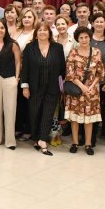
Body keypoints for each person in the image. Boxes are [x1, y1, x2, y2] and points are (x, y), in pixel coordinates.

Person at [21, 21, 64, 155]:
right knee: (35, 114)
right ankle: (36, 138)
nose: (42, 32)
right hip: (34, 88)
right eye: (40, 30)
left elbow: (62, 70)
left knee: (47, 114)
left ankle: (43, 140)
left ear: (49, 33)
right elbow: (25, 69)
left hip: (53, 88)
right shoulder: (29, 48)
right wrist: (25, 87)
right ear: (36, 33)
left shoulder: (57, 48)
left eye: (45, 30)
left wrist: (62, 89)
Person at [65, 27, 104, 155]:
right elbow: (70, 73)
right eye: (81, 38)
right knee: (75, 119)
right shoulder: (73, 53)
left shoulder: (97, 52)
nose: (84, 40)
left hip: (91, 92)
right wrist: (82, 87)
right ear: (77, 39)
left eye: (86, 37)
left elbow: (100, 73)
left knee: (89, 119)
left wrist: (91, 86)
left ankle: (88, 144)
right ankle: (75, 142)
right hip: (76, 90)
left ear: (90, 37)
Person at [0, 19, 21, 150]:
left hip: (9, 79)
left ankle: (10, 141)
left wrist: (16, 79)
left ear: (5, 30)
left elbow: (18, 62)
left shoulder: (13, 44)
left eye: (2, 28)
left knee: (10, 110)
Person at [90, 14, 105, 144]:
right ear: (93, 23)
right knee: (84, 110)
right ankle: (84, 136)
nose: (99, 24)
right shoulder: (86, 39)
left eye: (102, 22)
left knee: (96, 111)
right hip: (85, 83)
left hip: (101, 82)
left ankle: (92, 138)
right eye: (97, 21)